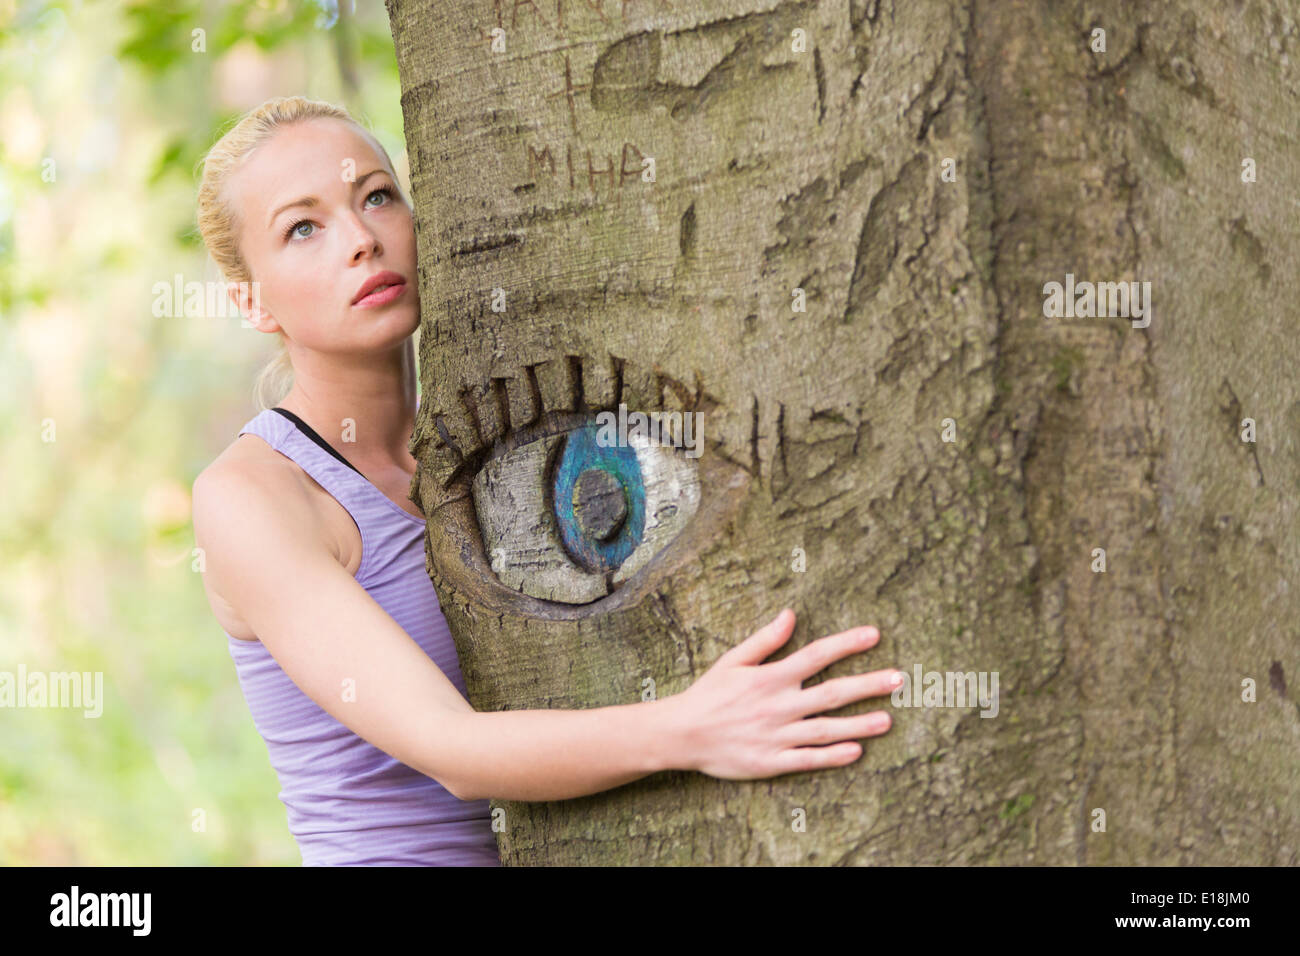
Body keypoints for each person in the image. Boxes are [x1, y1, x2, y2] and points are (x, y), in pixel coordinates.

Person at [191, 96, 900, 866]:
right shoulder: (252, 498)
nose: (361, 240)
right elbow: (451, 751)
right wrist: (694, 727)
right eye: (304, 228)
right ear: (251, 301)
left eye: (376, 196)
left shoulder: (477, 446)